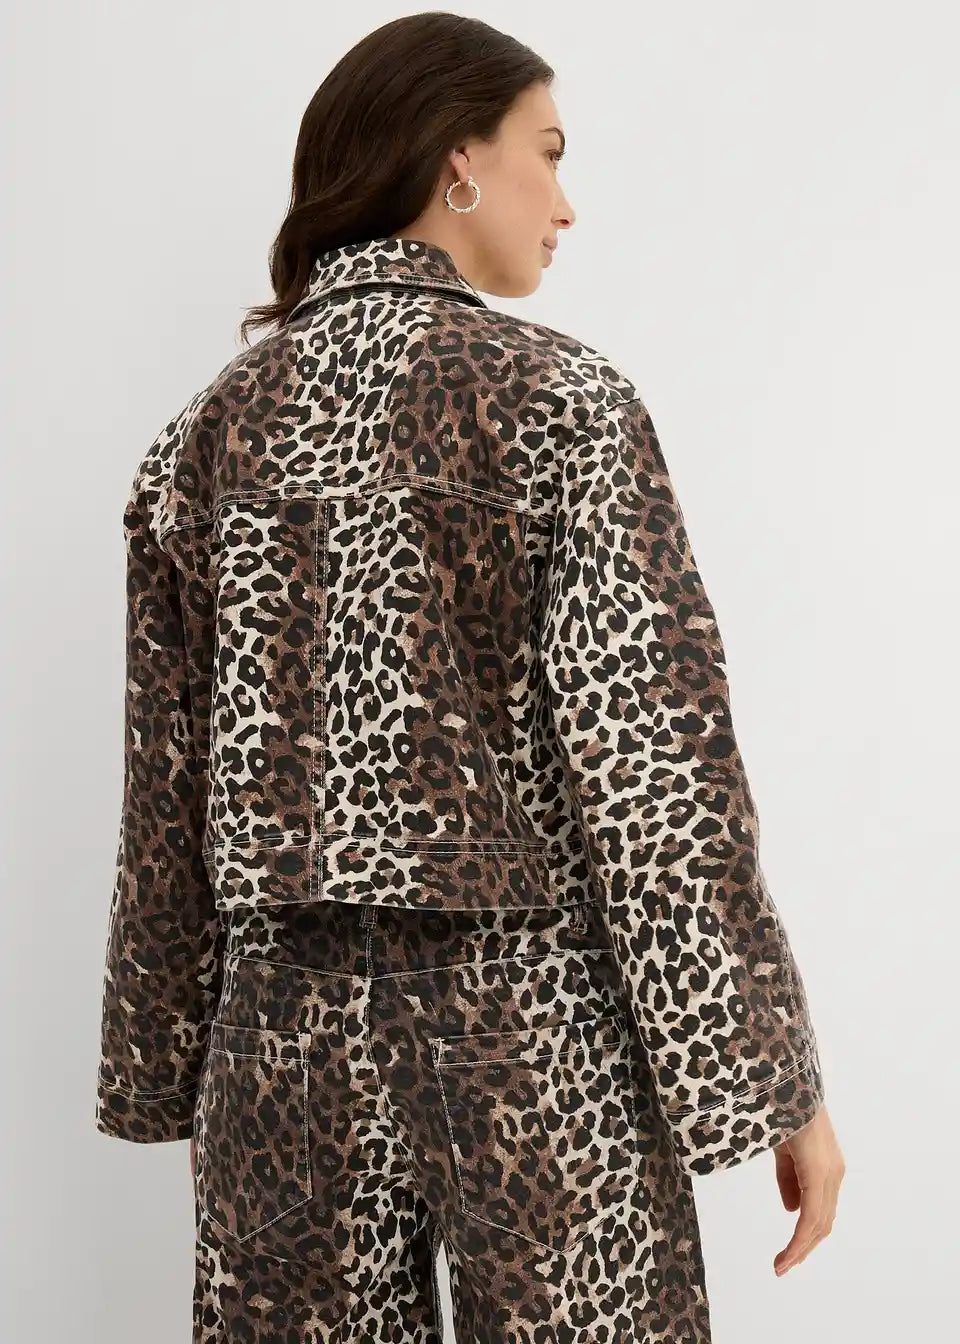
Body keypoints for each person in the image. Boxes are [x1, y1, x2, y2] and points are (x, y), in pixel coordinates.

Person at [94, 12, 844, 1343]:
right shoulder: (563, 406)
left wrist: (159, 1061)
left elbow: (166, 805)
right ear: (457, 161)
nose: (566, 200)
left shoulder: (200, 439)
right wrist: (768, 1080)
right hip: (537, 1036)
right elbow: (655, 771)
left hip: (280, 1052)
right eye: (545, 153)